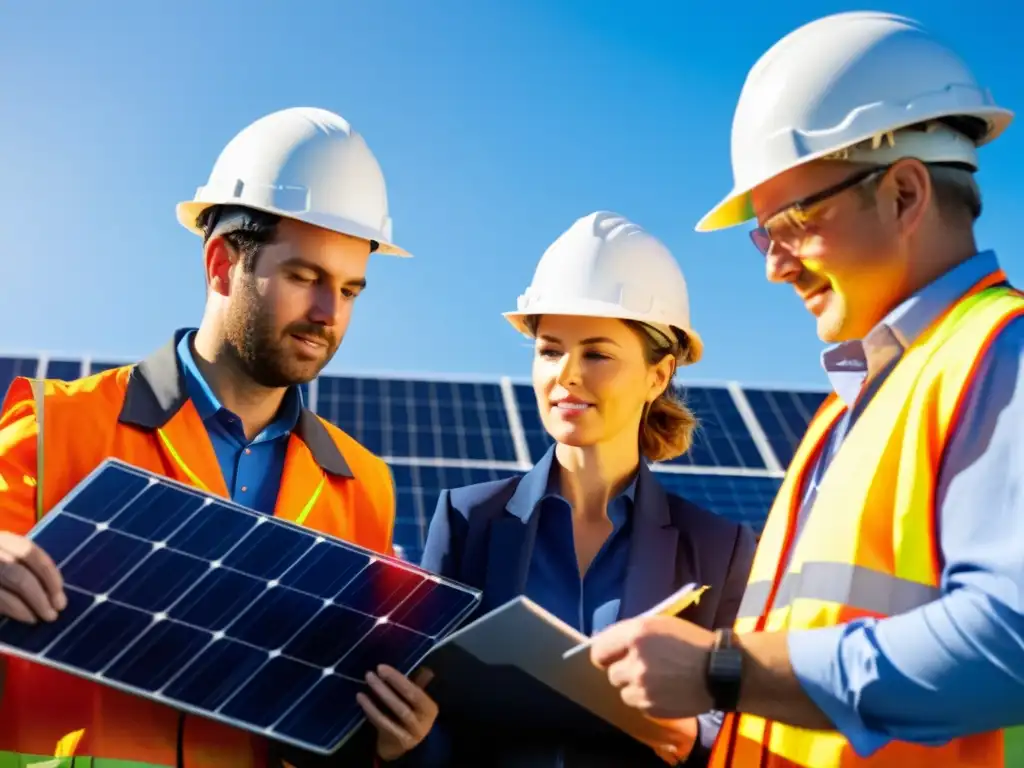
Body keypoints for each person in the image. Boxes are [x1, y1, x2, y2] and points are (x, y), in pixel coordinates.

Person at [586, 11, 1024, 768]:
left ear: (905, 194)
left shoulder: (1000, 356)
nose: (773, 266)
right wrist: (715, 724)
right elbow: (806, 658)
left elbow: (1008, 639)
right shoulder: (851, 409)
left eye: (791, 223)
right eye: (763, 235)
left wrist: (721, 669)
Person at [0, 107, 438, 767]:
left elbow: (329, 717)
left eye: (350, 290)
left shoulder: (362, 485)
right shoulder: (56, 422)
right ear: (220, 265)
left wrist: (391, 741)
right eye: (304, 277)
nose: (329, 314)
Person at [416, 211, 758, 767]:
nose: (566, 375)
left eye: (596, 353)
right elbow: (429, 714)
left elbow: (744, 736)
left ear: (658, 375)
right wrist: (407, 740)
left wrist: (692, 735)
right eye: (550, 350)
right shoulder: (466, 521)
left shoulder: (720, 551)